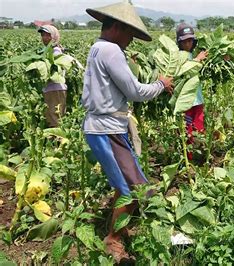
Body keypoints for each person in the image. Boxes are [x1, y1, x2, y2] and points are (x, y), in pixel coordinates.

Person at [81, 1, 173, 263]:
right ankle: (113, 239)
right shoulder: (110, 50)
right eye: (130, 33)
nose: (131, 40)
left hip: (108, 128)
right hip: (105, 130)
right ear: (118, 27)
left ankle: (121, 225)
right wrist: (160, 84)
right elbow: (134, 92)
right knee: (130, 189)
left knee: (135, 184)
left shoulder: (100, 49)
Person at [176, 23, 208, 161]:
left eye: (190, 40)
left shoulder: (191, 55)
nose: (188, 43)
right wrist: (197, 60)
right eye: (185, 41)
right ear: (179, 42)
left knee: (200, 129)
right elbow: (181, 72)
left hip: (198, 100)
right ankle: (187, 160)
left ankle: (199, 158)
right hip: (186, 102)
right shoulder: (179, 56)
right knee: (187, 132)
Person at [37, 25, 67, 127]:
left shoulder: (55, 51)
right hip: (51, 90)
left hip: (55, 89)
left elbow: (52, 71)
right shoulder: (48, 50)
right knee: (52, 118)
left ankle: (57, 142)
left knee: (55, 121)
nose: (44, 38)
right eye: (43, 35)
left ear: (54, 36)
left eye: (47, 35)